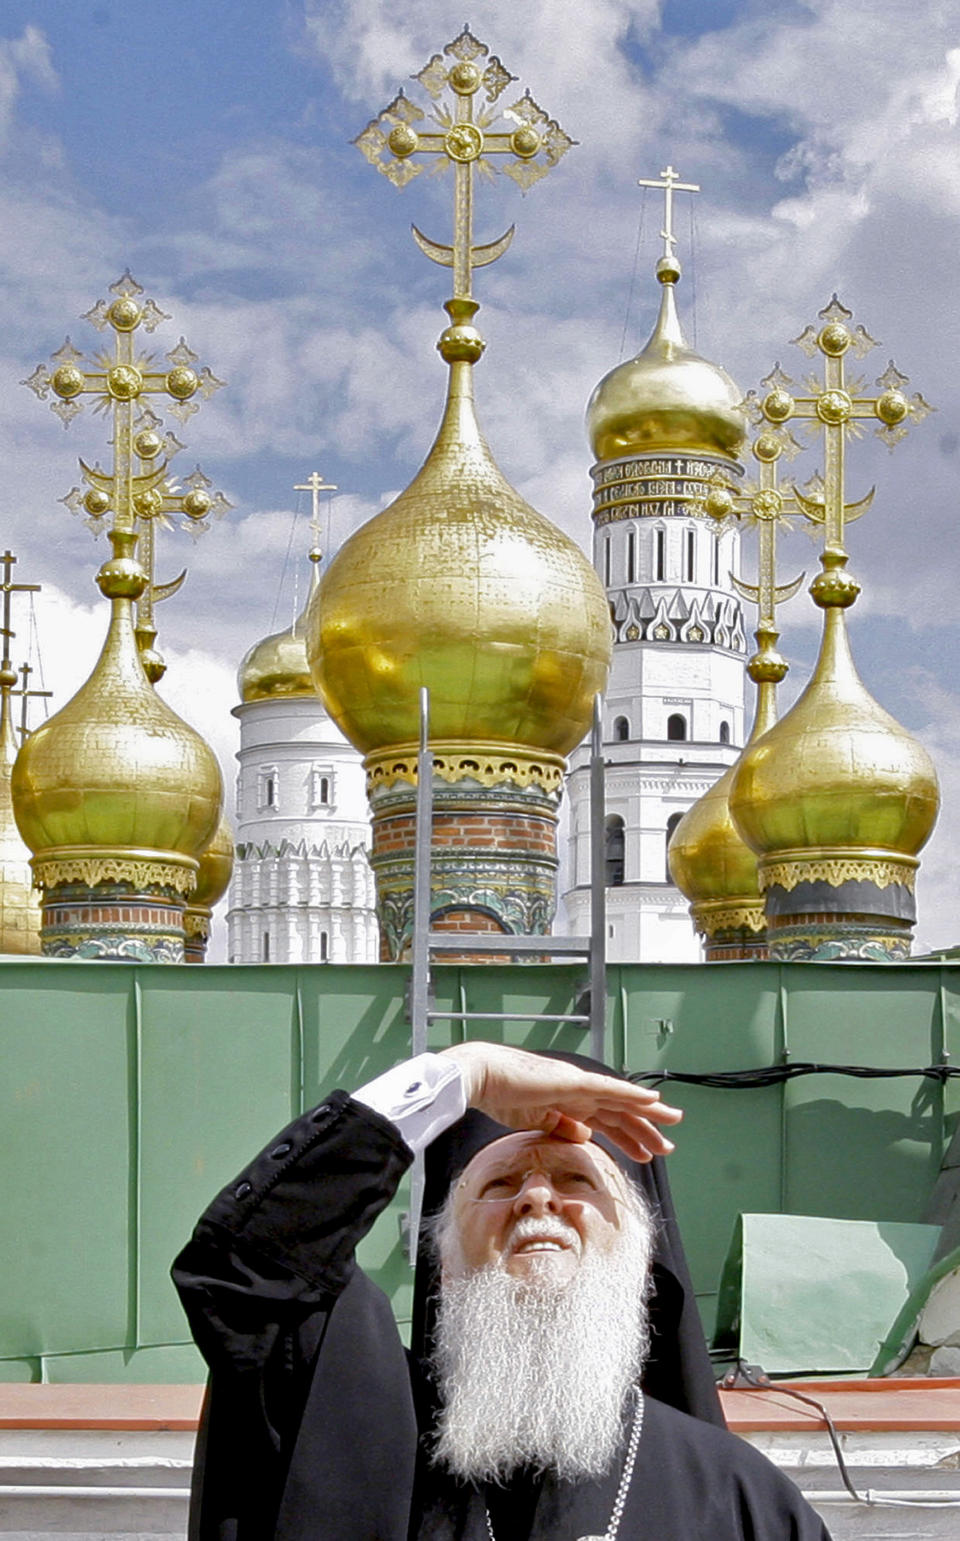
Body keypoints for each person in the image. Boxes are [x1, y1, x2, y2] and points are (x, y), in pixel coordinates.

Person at [173, 1042, 831, 1539]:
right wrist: (461, 1075)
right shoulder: (361, 1417)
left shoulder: (741, 1502)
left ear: (638, 1251)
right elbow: (245, 1265)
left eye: (575, 1178)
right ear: (446, 1257)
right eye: (499, 1183)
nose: (537, 1196)